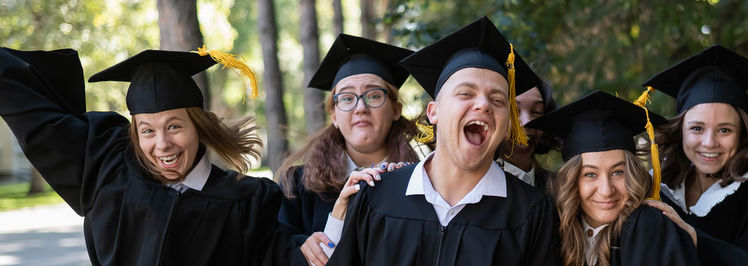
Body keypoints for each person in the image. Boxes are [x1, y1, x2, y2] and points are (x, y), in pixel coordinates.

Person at [0, 47, 292, 265]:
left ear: (198, 126)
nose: (162, 144)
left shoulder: (246, 202)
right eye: (147, 131)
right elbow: (36, 120)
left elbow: (287, 252)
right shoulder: (105, 166)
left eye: (174, 126)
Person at [326, 17, 561, 265]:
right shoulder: (375, 198)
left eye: (498, 100)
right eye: (465, 93)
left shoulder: (531, 213)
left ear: (506, 127)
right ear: (433, 112)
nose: (483, 104)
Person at [640, 45, 748, 265]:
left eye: (724, 130)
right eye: (697, 128)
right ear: (680, 130)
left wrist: (697, 241)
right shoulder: (655, 191)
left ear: (743, 133)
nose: (709, 142)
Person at [275, 34, 420, 266]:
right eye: (347, 98)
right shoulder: (296, 186)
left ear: (396, 109)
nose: (360, 107)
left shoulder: (423, 183)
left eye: (374, 95)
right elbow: (275, 249)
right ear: (334, 114)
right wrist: (301, 248)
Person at [526, 91, 697, 266]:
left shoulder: (646, 226)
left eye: (618, 172)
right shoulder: (551, 230)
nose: (606, 190)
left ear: (632, 174)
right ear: (571, 181)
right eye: (590, 174)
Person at [495, 77, 560, 190]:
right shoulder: (473, 185)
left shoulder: (556, 189)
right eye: (514, 111)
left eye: (536, 112)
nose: (527, 121)